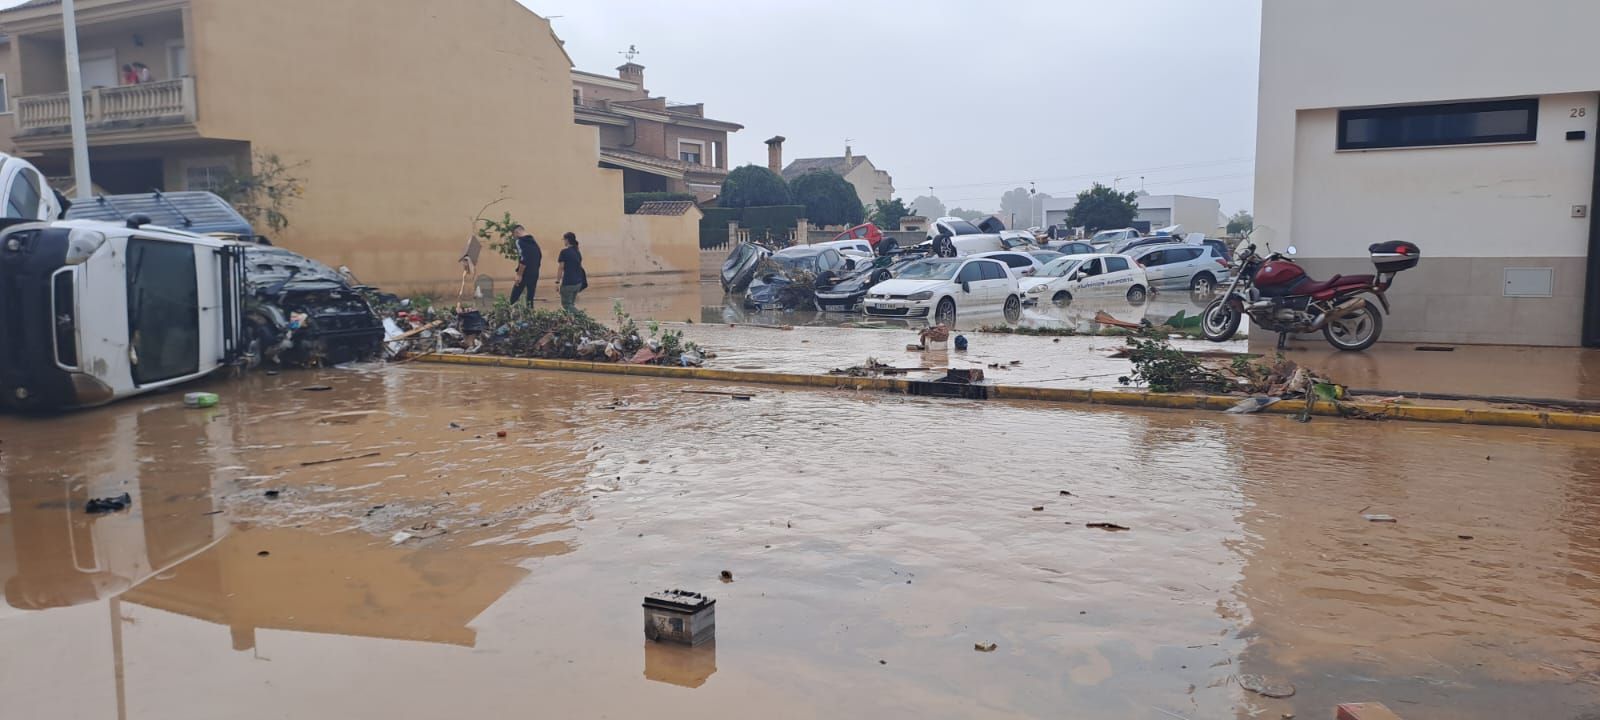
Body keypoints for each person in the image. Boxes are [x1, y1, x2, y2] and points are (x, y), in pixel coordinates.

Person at [508, 225, 541, 306]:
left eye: (513, 235)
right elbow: (539, 255)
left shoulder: (519, 241)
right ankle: (530, 312)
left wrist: (519, 274)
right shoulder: (533, 241)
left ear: (517, 232)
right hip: (534, 272)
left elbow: (524, 259)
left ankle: (509, 310)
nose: (514, 237)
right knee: (530, 298)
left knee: (514, 297)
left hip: (525, 273)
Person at [556, 232, 587, 312]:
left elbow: (561, 268)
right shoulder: (577, 252)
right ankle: (574, 318)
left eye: (564, 240)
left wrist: (557, 282)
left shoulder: (564, 252)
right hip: (578, 283)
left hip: (568, 283)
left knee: (566, 305)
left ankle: (581, 316)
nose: (564, 242)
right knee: (571, 305)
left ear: (567, 240)